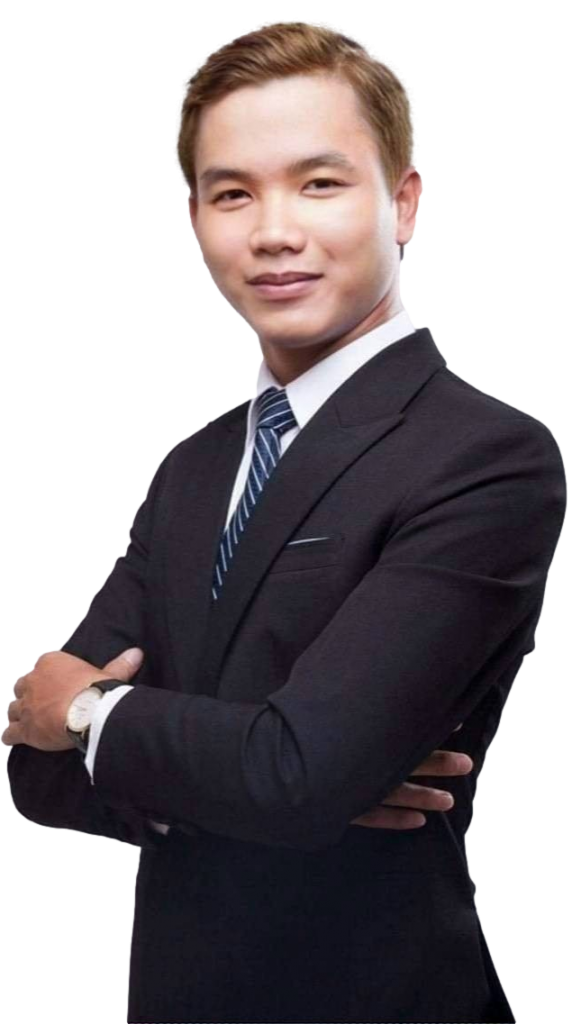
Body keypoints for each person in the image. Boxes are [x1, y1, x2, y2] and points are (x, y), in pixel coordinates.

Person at [3, 19, 567, 1024]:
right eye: (232, 193)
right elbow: (34, 774)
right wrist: (269, 774)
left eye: (318, 183)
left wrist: (91, 715)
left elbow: (293, 774)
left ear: (402, 201)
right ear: (193, 218)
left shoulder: (484, 454)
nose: (273, 231)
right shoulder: (192, 467)